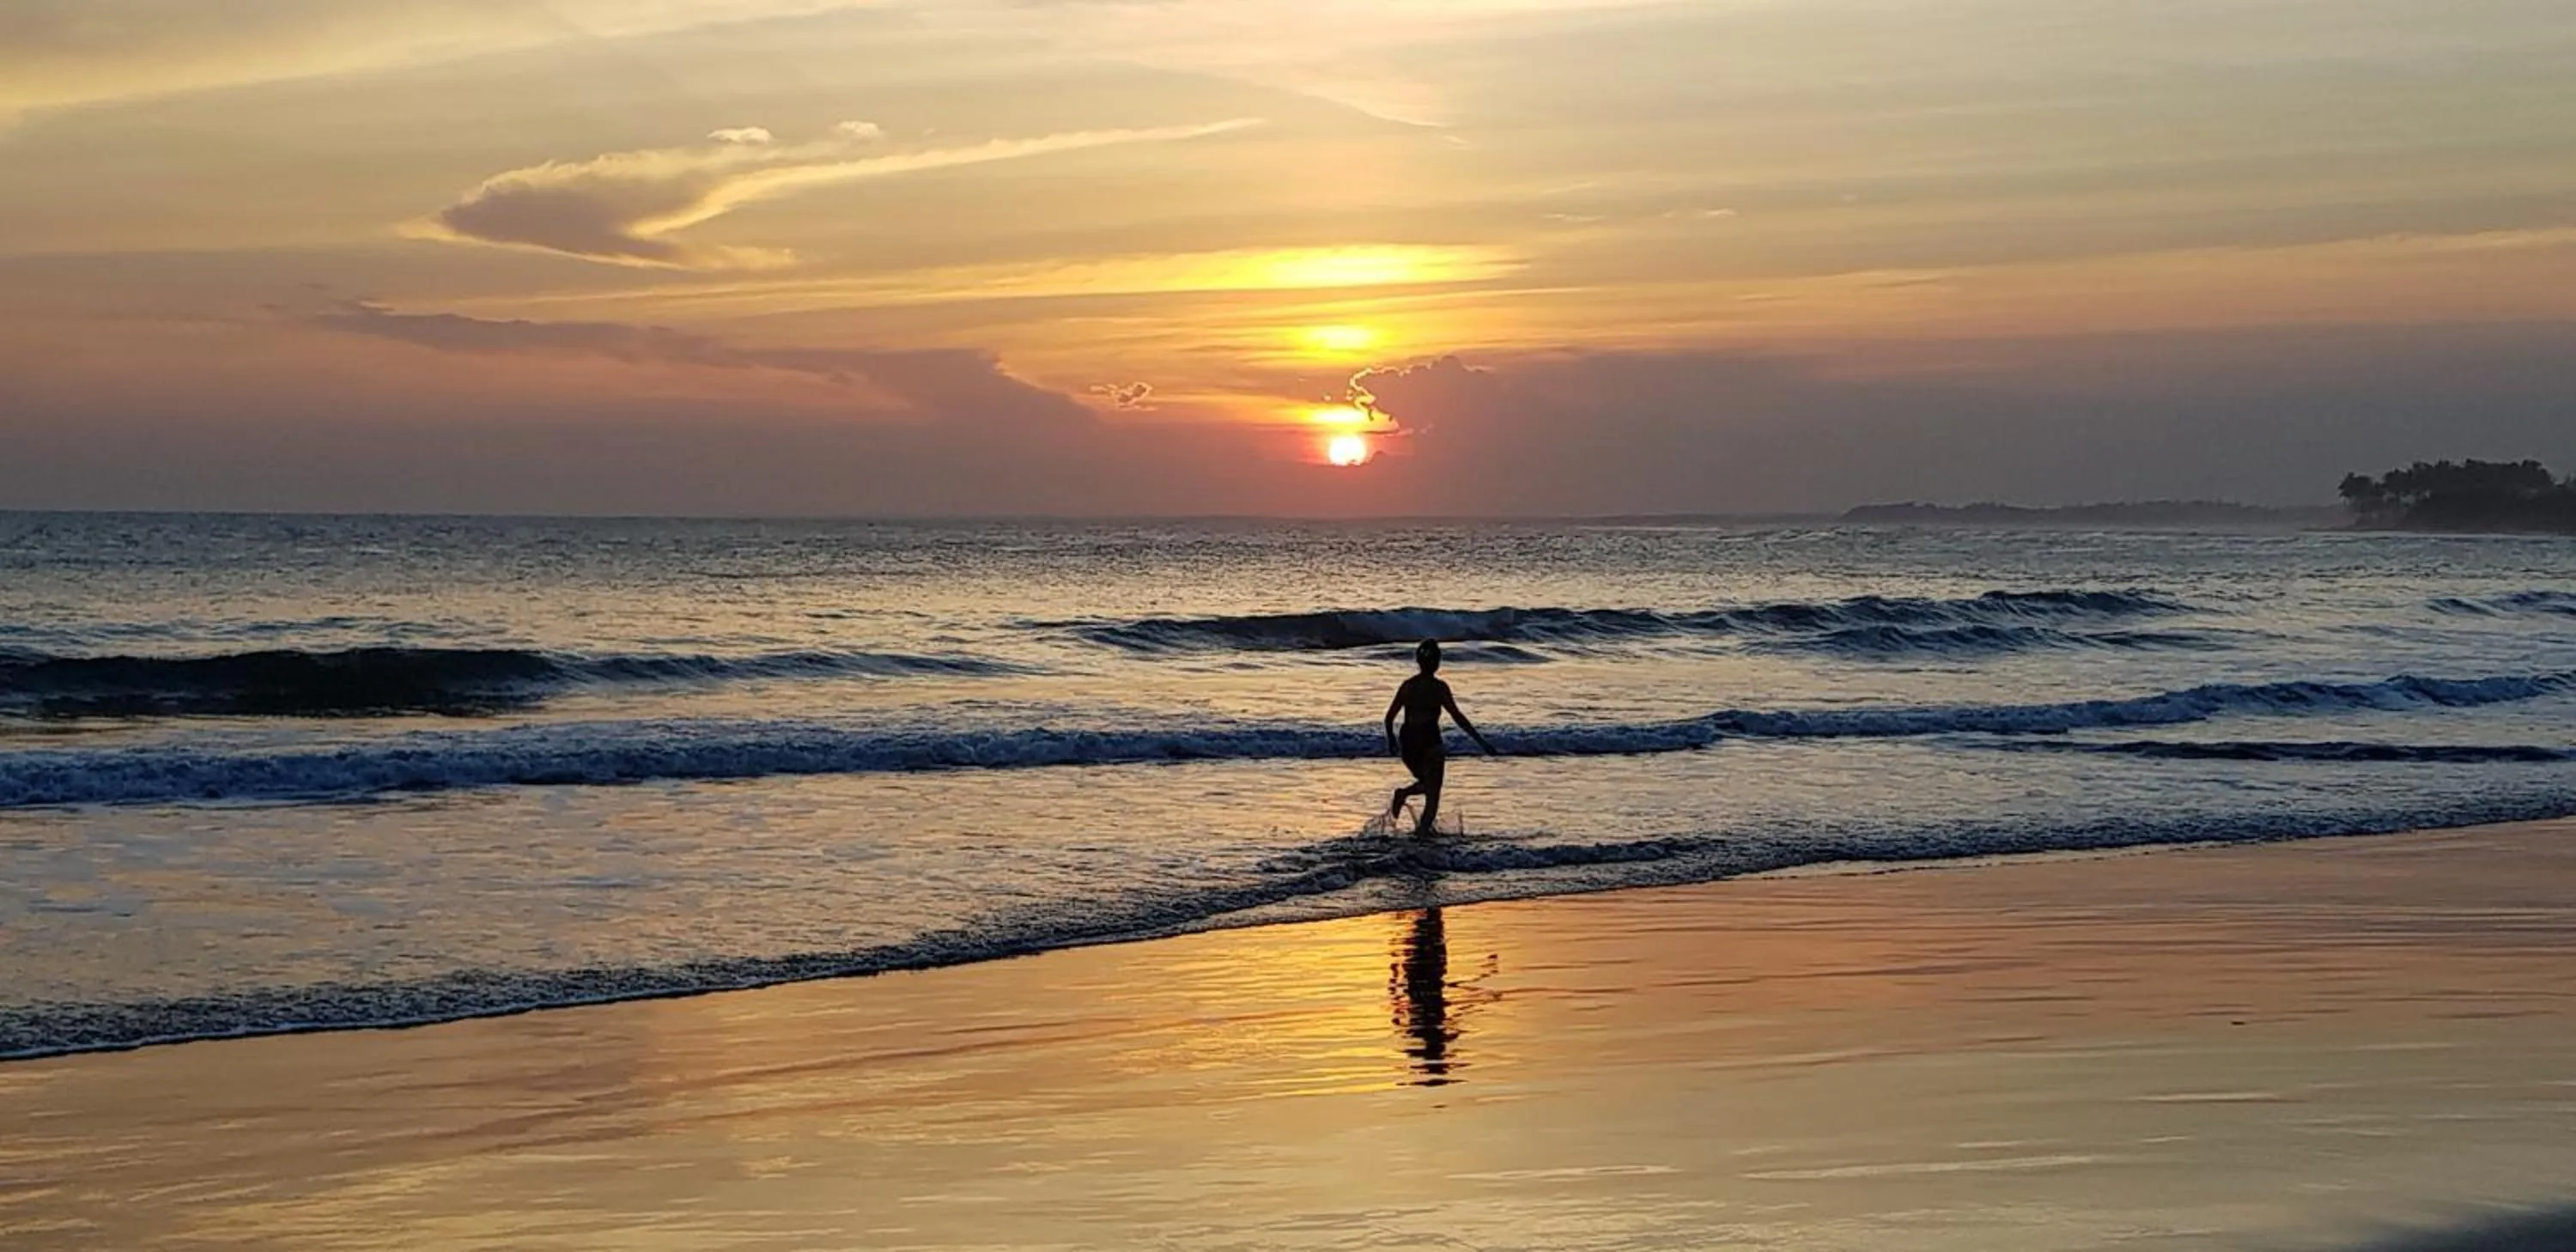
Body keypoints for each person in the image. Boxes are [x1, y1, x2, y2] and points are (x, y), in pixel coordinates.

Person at [1384, 639, 1495, 836]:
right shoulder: (1439, 688)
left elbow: (1389, 718)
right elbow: (1458, 717)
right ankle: (1419, 828)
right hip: (1427, 740)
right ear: (1437, 663)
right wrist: (1482, 742)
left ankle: (1413, 817)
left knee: (1429, 787)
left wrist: (1392, 740)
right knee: (1432, 793)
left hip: (1409, 741)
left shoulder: (1408, 686)